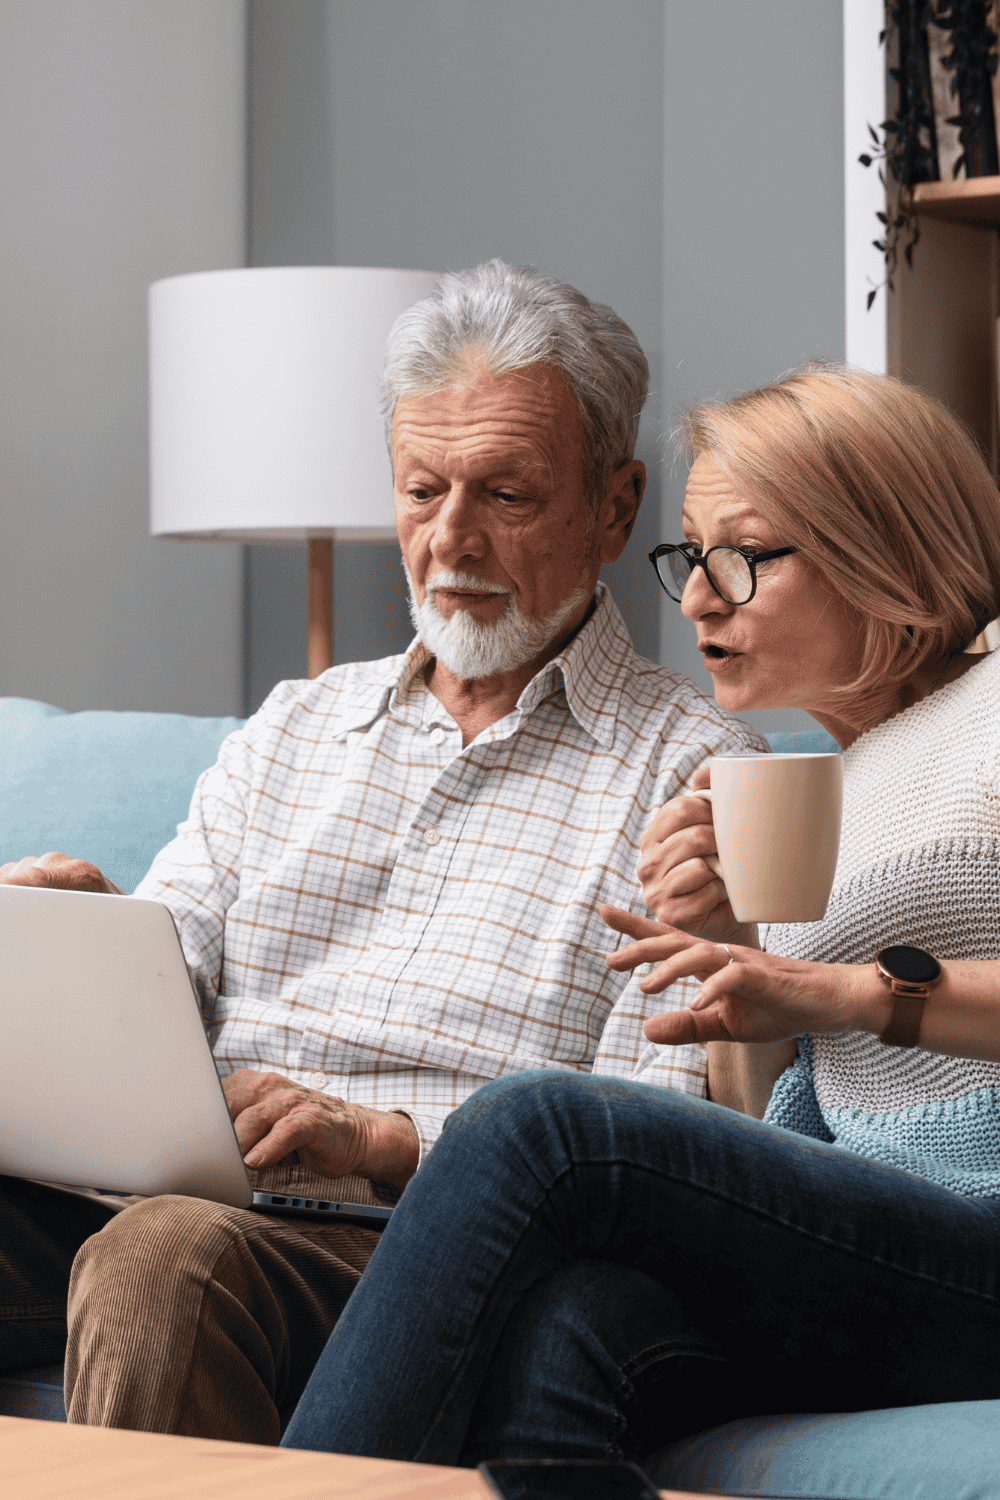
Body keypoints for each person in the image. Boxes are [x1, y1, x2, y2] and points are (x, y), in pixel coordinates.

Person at [0, 260, 763, 1443]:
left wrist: (383, 1144)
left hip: (399, 1241)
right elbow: (171, 960)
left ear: (616, 507)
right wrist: (83, 951)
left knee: (166, 1258)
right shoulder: (299, 724)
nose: (449, 538)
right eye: (421, 490)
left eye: (505, 495)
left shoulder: (693, 770)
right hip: (193, 1184)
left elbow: (637, 1139)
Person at [280, 367, 1000, 1468]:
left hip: (975, 1238)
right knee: (568, 1328)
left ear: (883, 548)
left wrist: (842, 990)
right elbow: (794, 1106)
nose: (700, 600)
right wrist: (737, 948)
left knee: (539, 1127)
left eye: (744, 557)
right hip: (871, 1239)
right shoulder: (818, 783)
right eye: (690, 557)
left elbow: (855, 1010)